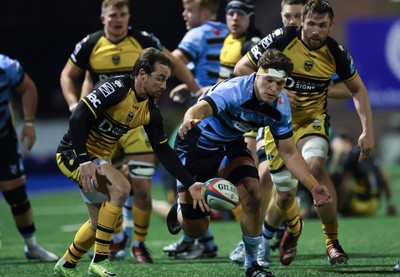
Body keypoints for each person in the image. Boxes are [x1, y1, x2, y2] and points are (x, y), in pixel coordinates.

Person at [168, 48, 332, 277]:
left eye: (280, 84)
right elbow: (200, 108)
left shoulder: (280, 106)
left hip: (231, 145)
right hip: (197, 148)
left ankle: (252, 265)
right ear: (257, 75)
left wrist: (314, 186)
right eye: (269, 81)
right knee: (196, 230)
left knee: (254, 196)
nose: (274, 88)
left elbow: (290, 153)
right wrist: (190, 118)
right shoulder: (235, 90)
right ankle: (179, 207)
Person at [235, 0, 374, 267]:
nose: (315, 31)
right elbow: (242, 69)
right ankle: (276, 235)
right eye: (310, 24)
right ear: (302, 22)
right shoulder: (282, 39)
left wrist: (367, 131)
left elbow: (358, 89)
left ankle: (332, 242)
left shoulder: (336, 52)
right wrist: (278, 90)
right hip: (278, 124)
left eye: (322, 26)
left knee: (317, 167)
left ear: (331, 26)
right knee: (284, 194)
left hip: (313, 120)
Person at [60, 0, 201, 264]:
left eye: (123, 14)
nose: (118, 19)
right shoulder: (92, 47)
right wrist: (73, 105)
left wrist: (196, 90)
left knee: (138, 190)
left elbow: (164, 150)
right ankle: (105, 252)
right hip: (91, 134)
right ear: (103, 18)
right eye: (113, 15)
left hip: (129, 125)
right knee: (118, 190)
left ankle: (136, 244)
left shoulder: (144, 42)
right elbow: (69, 79)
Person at [162, 0, 229, 260]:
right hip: (226, 110)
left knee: (175, 159)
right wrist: (191, 86)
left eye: (188, 10)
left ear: (204, 12)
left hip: (202, 113)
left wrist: (191, 86)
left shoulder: (197, 33)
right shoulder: (227, 31)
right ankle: (200, 239)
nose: (184, 15)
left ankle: (195, 236)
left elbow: (174, 60)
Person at [0, 54, 58, 262]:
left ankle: (31, 246)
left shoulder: (6, 66)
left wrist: (29, 123)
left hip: (3, 139)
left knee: (16, 194)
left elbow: (28, 88)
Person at [329, 131, 397, 217]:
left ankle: (332, 211)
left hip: (359, 205)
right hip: (375, 206)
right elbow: (385, 176)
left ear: (345, 141)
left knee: (336, 179)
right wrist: (390, 203)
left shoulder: (349, 157)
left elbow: (345, 185)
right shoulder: (367, 154)